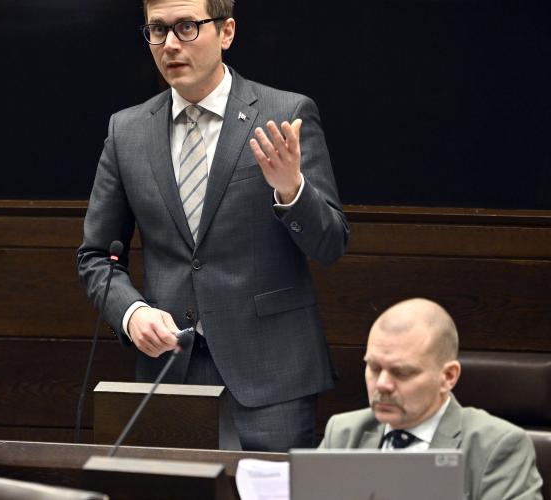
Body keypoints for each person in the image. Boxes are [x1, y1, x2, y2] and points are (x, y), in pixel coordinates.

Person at [77, 0, 348, 452]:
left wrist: (291, 191)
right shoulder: (127, 132)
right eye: (157, 30)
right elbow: (96, 257)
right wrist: (132, 313)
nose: (169, 45)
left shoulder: (283, 113)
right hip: (171, 371)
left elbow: (331, 244)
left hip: (270, 377)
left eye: (186, 27)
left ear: (227, 32)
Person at [319, 298, 543, 499]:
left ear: (448, 377)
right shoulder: (342, 433)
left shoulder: (496, 446)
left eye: (402, 372)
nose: (382, 384)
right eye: (375, 368)